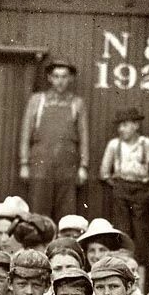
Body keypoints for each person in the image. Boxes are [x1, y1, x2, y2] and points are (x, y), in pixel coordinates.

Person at [19, 60, 90, 219]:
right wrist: (24, 163)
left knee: (66, 212)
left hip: (67, 167)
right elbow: (25, 134)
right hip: (40, 165)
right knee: (38, 212)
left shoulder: (77, 104)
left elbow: (84, 138)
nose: (60, 81)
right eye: (56, 76)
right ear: (50, 78)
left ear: (70, 79)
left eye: (64, 77)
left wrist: (83, 166)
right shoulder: (37, 100)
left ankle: (62, 244)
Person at [100, 108, 149, 258]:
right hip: (121, 189)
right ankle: (122, 264)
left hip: (141, 191)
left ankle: (141, 269)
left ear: (136, 125)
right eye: (119, 126)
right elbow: (104, 172)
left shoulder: (146, 144)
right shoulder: (114, 145)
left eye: (124, 125)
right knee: (122, 230)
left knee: (141, 232)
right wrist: (118, 185)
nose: (120, 129)